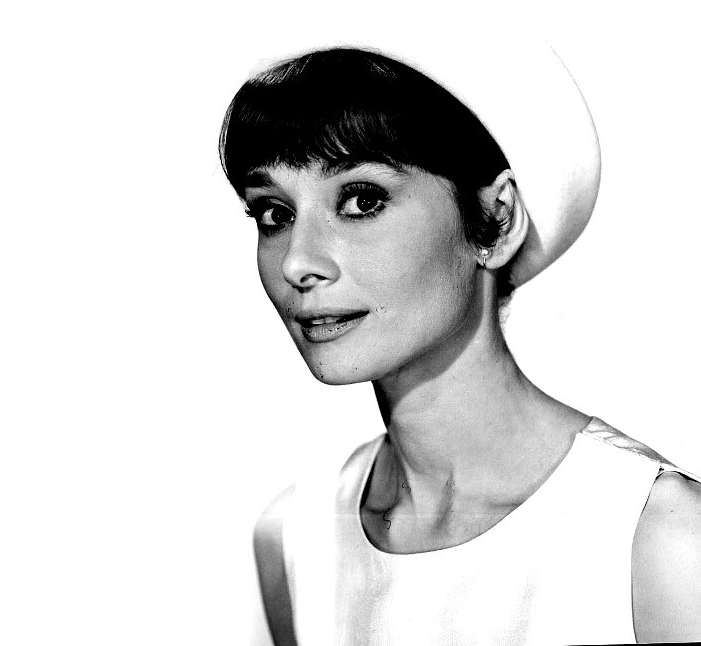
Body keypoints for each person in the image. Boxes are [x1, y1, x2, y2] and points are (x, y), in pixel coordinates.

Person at [220, 41, 701, 644]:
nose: (298, 262)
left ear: (496, 221)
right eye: (274, 213)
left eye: (362, 201)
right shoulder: (296, 539)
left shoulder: (659, 542)